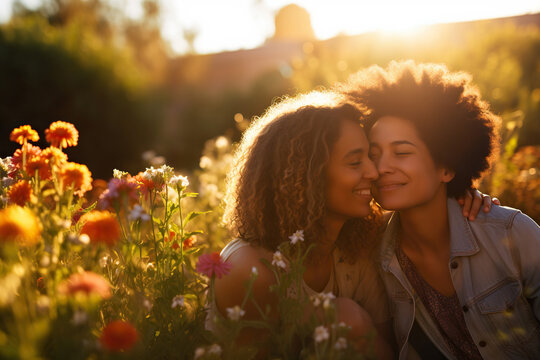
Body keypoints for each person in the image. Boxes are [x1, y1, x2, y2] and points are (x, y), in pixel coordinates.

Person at [207, 89, 491, 359]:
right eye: (356, 163)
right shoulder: (250, 270)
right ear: (307, 179)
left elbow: (385, 351)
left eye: (370, 157)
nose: (374, 171)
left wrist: (458, 195)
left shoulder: (360, 246)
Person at [342, 60, 540, 359]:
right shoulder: (372, 253)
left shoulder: (512, 233)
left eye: (402, 152)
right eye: (374, 154)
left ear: (447, 167)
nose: (381, 168)